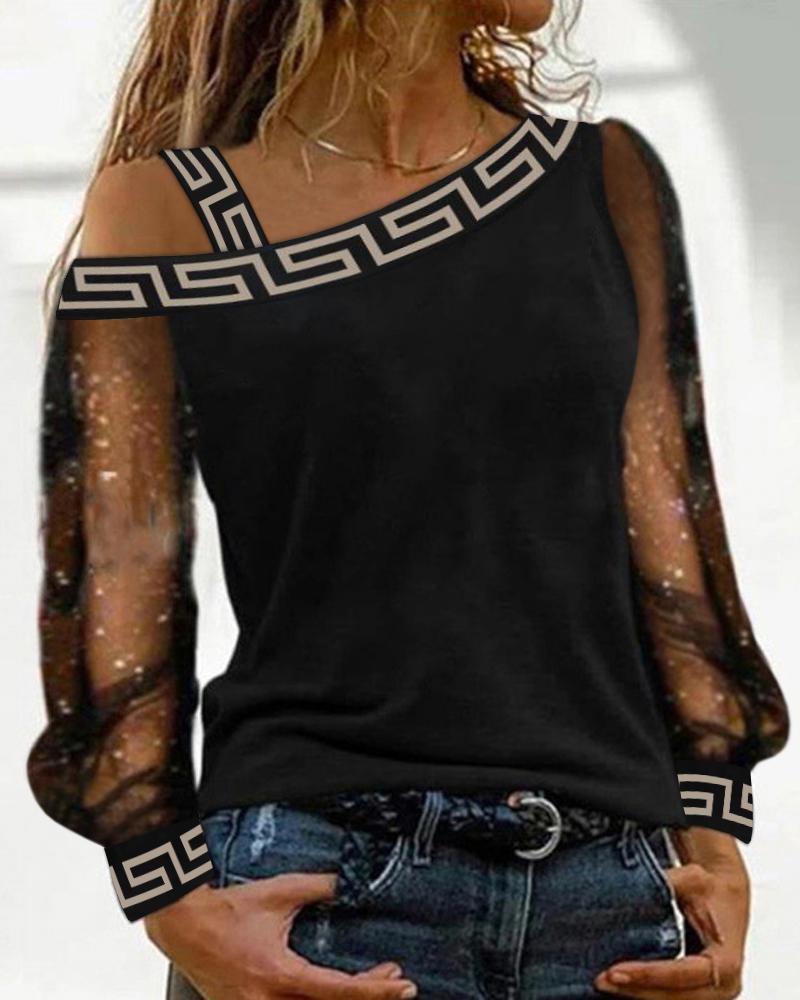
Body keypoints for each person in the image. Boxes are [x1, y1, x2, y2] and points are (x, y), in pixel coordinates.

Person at [27, 2, 789, 998]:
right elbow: (116, 559)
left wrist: (714, 838)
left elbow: (671, 519)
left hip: (613, 908)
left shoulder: (607, 180)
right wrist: (169, 895)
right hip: (322, 890)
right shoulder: (167, 209)